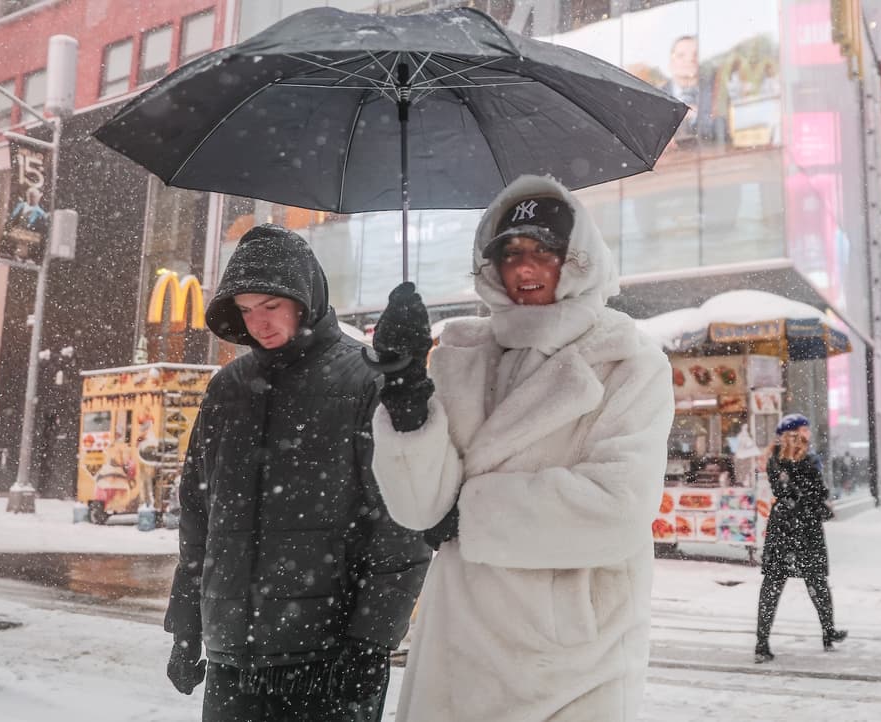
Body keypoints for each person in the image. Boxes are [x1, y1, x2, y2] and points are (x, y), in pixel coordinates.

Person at [369, 175, 675, 722]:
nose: (525, 269)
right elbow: (420, 510)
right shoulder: (460, 356)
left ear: (580, 260)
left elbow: (618, 507)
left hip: (574, 661)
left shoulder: (629, 363)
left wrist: (469, 515)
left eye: (544, 251)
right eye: (510, 253)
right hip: (457, 647)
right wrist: (406, 394)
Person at [163, 224, 431, 721]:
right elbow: (199, 515)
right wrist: (186, 626)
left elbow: (400, 523)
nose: (258, 322)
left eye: (270, 305)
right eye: (245, 309)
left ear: (305, 298)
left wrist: (372, 640)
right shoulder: (226, 389)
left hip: (329, 656)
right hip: (233, 658)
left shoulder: (363, 380)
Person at [754, 414, 846, 663]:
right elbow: (815, 492)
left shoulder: (776, 459)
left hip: (784, 526)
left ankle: (763, 643)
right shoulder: (805, 460)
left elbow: (786, 491)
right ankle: (826, 631)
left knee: (777, 585)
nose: (808, 433)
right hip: (802, 527)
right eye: (804, 429)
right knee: (812, 582)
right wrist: (815, 499)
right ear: (793, 433)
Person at [661, 35, 729, 150]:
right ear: (671, 63)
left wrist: (697, 116)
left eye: (695, 55)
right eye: (681, 56)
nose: (689, 60)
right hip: (672, 164)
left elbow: (725, 132)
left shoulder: (716, 91)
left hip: (712, 160)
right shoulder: (656, 97)